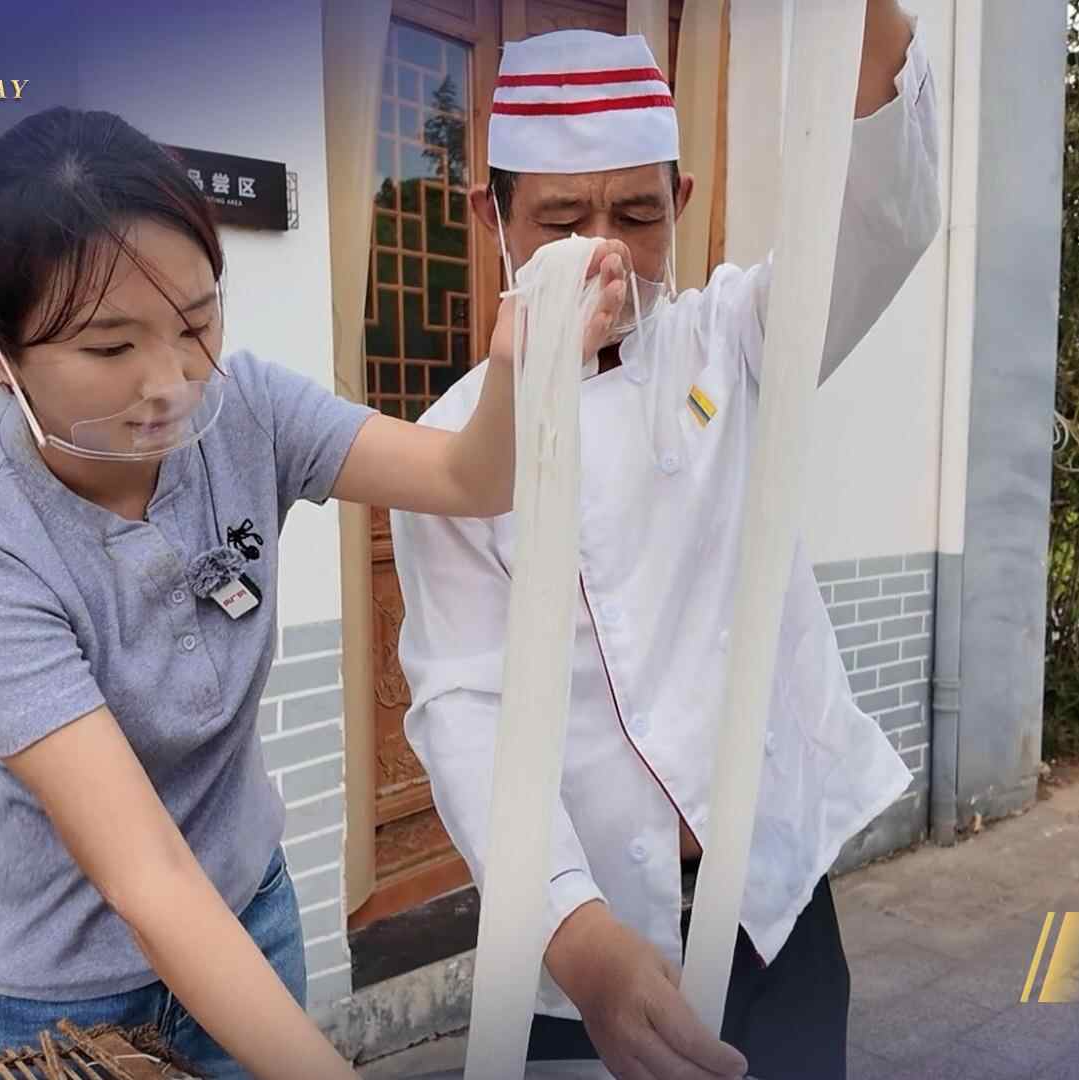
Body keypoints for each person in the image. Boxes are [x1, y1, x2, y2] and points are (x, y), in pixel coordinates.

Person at [0, 106, 626, 1079]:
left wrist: (517, 367)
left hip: (249, 924)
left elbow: (469, 479)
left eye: (196, 322)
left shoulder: (246, 408)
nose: (170, 382)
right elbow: (148, 877)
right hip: (50, 1009)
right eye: (111, 349)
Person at [389, 6, 941, 1079]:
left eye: (638, 213)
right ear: (491, 216)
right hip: (584, 931)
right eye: (560, 221)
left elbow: (879, 216)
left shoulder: (729, 342)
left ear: (680, 203)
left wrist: (865, 23)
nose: (604, 253)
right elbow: (462, 706)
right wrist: (573, 930)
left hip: (771, 906)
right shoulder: (451, 445)